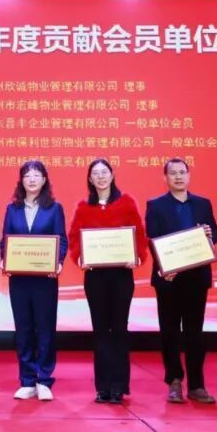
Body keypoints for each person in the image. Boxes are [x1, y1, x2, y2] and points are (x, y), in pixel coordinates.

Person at [68, 158, 147, 404]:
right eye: (96, 173)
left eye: (105, 172)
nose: (101, 177)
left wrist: (137, 256)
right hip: (95, 277)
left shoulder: (126, 202)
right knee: (101, 330)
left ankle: (119, 386)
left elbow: (139, 234)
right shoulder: (83, 207)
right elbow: (74, 239)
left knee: (119, 329)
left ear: (112, 176)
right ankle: (102, 387)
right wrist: (80, 258)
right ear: (90, 179)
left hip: (121, 276)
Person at [145, 158, 217, 405]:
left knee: (194, 332)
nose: (178, 177)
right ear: (165, 178)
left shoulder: (202, 203)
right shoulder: (155, 205)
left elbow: (216, 232)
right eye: (173, 173)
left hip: (196, 277)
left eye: (182, 172)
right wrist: (164, 266)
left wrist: (209, 233)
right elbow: (152, 238)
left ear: (189, 176)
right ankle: (174, 381)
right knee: (169, 332)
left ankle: (197, 385)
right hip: (169, 278)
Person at [2, 160, 68, 401]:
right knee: (24, 329)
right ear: (21, 180)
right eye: (27, 175)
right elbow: (5, 239)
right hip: (19, 279)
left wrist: (58, 262)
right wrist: (4, 259)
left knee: (45, 328)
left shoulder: (54, 208)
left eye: (36, 175)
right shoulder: (13, 209)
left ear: (44, 180)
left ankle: (44, 379)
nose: (32, 179)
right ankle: (27, 380)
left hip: (45, 279)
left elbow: (61, 239)